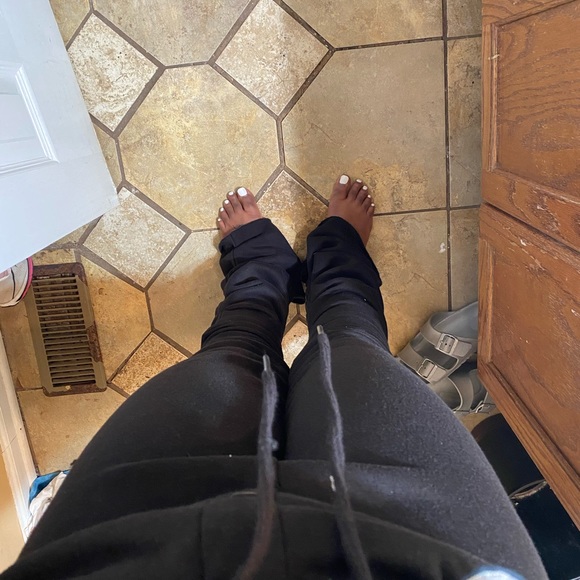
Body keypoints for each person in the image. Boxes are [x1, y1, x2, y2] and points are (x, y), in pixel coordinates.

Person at [1, 176, 546, 579]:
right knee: (348, 344)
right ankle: (331, 261)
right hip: (437, 548)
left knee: (236, 351)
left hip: (126, 543)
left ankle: (263, 272)